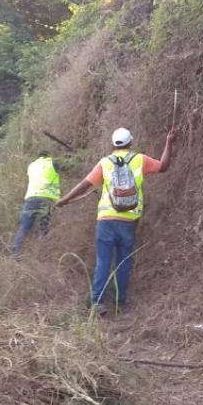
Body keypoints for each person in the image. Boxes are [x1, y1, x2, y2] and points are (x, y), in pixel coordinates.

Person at [56, 126, 176, 316]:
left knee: (103, 261)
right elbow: (163, 166)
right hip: (129, 221)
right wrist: (169, 143)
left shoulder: (105, 163)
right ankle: (120, 302)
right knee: (123, 262)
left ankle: (98, 302)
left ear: (113, 144)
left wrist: (64, 200)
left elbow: (83, 185)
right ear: (131, 142)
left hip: (106, 220)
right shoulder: (140, 160)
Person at [10, 150, 61, 255]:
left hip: (31, 198)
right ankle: (41, 253)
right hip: (46, 199)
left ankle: (15, 252)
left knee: (24, 226)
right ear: (48, 156)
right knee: (44, 227)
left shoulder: (31, 166)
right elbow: (65, 166)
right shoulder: (52, 163)